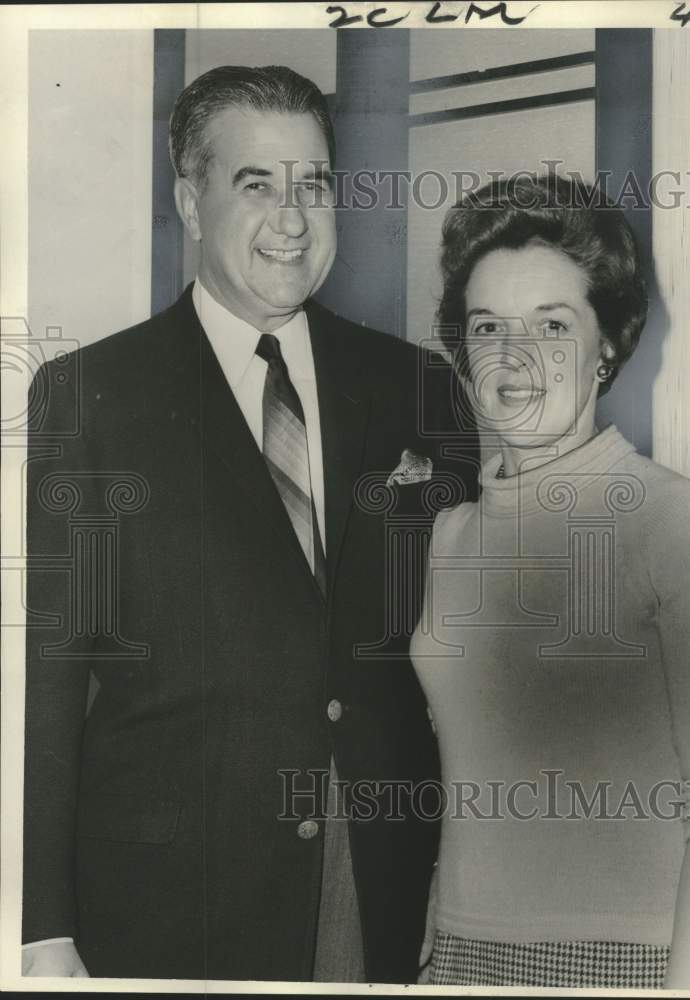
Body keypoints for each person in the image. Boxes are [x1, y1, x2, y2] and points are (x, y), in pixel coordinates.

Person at [22, 65, 476, 982]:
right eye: (256, 184)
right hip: (165, 890)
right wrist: (42, 926)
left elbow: (459, 656)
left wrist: (453, 874)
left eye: (313, 184)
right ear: (190, 202)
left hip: (371, 871)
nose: (293, 218)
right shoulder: (93, 399)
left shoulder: (414, 388)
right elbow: (50, 675)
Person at [411, 174, 690, 989]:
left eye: (552, 326)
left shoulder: (680, 523)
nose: (515, 356)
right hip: (458, 958)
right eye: (488, 326)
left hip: (630, 966)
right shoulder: (450, 536)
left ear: (606, 347)